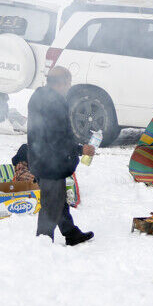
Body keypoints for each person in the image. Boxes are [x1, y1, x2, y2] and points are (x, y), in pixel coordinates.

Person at [27, 66, 94, 245]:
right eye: (68, 82)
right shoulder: (54, 103)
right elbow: (58, 137)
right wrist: (80, 149)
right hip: (51, 163)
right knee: (51, 205)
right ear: (63, 82)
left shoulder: (38, 96)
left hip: (39, 157)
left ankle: (71, 233)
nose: (69, 86)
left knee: (57, 199)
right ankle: (43, 242)